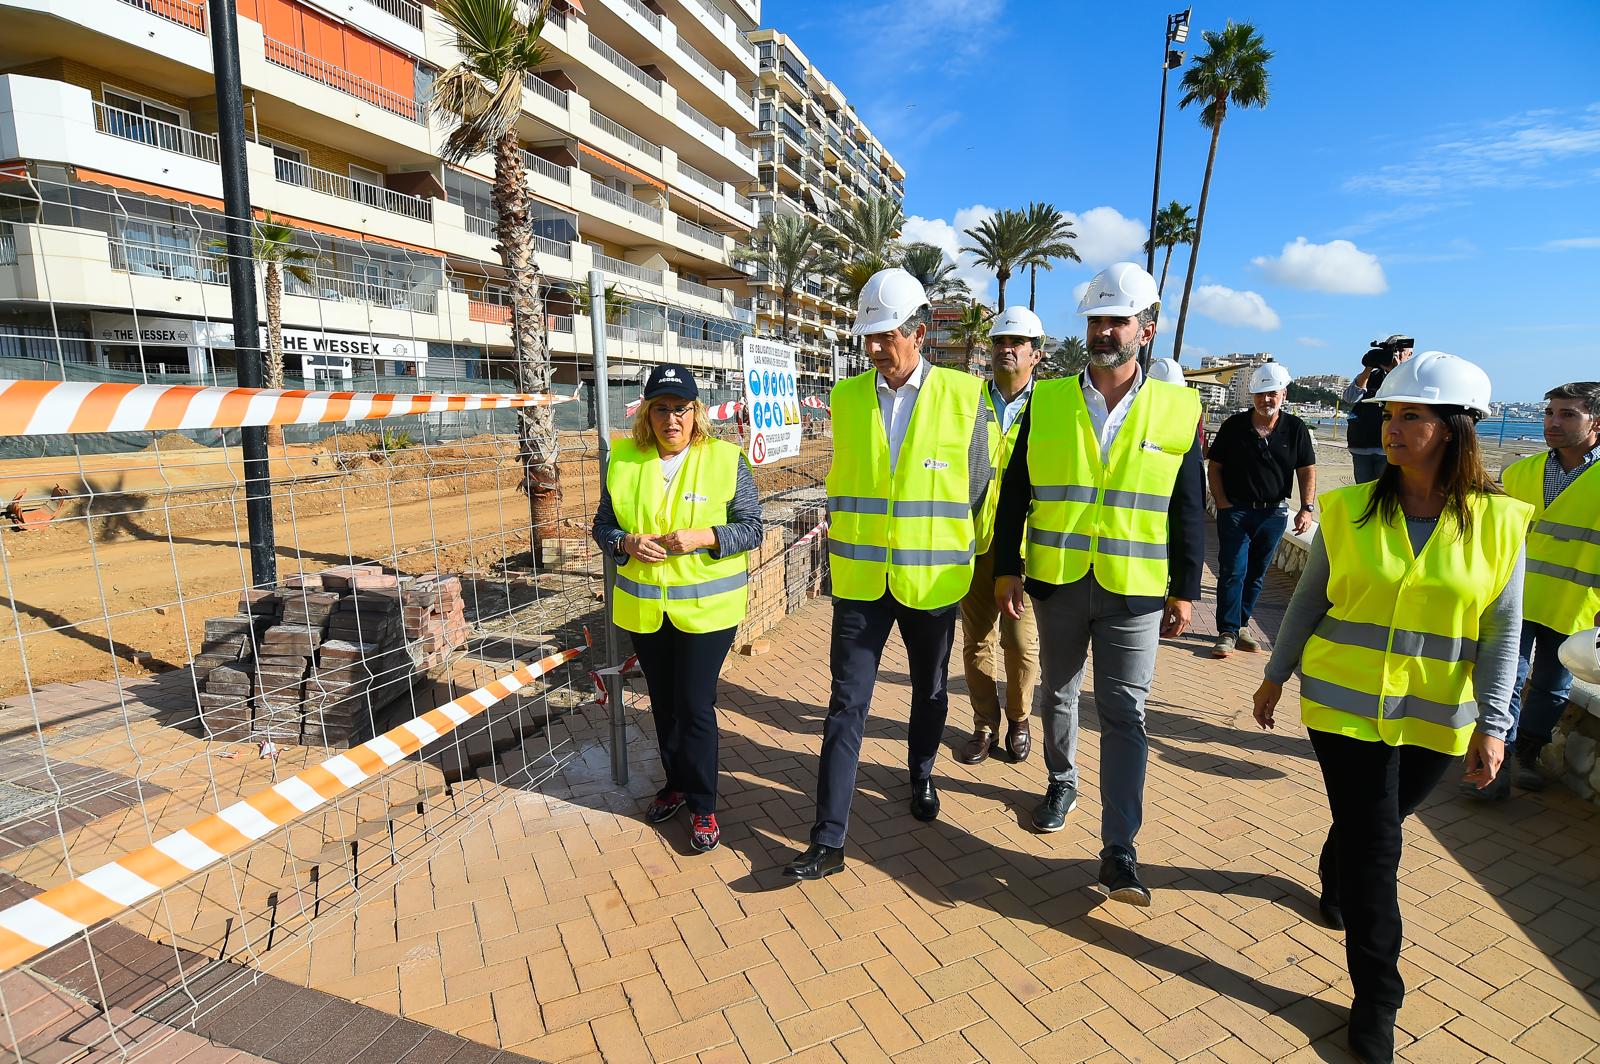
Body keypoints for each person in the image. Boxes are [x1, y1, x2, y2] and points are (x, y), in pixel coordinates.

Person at [1251, 351, 1529, 1063]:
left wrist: (1495, 725)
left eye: (1411, 416)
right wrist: (1275, 676)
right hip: (1343, 707)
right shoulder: (1349, 510)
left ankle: (1334, 861)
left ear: (1456, 428)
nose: (1392, 428)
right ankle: (1378, 999)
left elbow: (1502, 631)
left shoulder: (1501, 524)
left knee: (1377, 821)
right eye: (1388, 415)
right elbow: (1309, 600)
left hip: (1436, 715)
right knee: (1380, 849)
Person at [991, 262, 1205, 905]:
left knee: (1125, 713)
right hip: (1057, 580)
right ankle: (1062, 781)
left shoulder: (1177, 407)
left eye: (1117, 320)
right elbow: (1016, 491)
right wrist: (1007, 566)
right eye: (1096, 320)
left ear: (1147, 328)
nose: (1104, 331)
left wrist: (1185, 588)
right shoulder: (1050, 400)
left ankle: (1119, 848)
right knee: (1057, 693)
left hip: (1134, 588)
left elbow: (1188, 506)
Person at [784, 268, 990, 881]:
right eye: (868, 337)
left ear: (919, 333)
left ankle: (921, 773)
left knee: (930, 691)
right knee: (846, 703)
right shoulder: (846, 399)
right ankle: (828, 839)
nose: (875, 347)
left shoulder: (964, 395)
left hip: (931, 581)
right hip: (861, 582)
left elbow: (977, 486)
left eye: (887, 335)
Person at [592, 364, 765, 853]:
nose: (672, 419)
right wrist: (625, 542)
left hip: (707, 612)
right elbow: (602, 526)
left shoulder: (725, 459)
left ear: (696, 413)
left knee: (693, 704)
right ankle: (675, 784)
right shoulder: (624, 459)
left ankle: (703, 804)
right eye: (662, 409)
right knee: (664, 704)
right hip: (647, 610)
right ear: (647, 414)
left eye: (681, 409)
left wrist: (706, 536)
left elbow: (753, 527)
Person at [1477, 381, 1600, 799]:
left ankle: (1526, 753)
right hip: (1513, 598)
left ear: (1596, 422)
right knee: (1507, 678)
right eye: (1549, 413)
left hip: (1576, 604)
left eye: (1567, 414)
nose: (1552, 422)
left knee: (1552, 684)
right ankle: (1499, 759)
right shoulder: (1520, 473)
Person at [957, 305, 1043, 766]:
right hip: (973, 543)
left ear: (1036, 354)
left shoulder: (1048, 407)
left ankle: (1020, 718)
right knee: (976, 643)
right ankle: (984, 725)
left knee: (1021, 644)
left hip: (1025, 548)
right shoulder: (970, 401)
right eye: (999, 341)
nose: (1006, 349)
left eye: (1017, 342)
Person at [1208, 361, 1317, 657]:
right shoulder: (1234, 426)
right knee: (1233, 570)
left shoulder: (1295, 429)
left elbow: (1306, 470)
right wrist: (1222, 503)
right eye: (1260, 394)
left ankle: (1241, 624)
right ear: (1252, 395)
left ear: (1284, 394)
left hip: (1273, 514)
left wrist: (1306, 508)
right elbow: (1215, 467)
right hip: (1236, 512)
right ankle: (1227, 631)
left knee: (1256, 574)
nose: (1266, 399)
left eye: (1272, 393)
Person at [1343, 335, 1413, 483]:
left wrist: (1395, 372)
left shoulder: (1413, 378)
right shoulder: (1371, 375)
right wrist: (1369, 367)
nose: (1397, 354)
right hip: (1362, 444)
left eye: (1401, 350)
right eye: (1393, 350)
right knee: (1364, 491)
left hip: (1391, 445)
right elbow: (1350, 398)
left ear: (1410, 354)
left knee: (1387, 490)